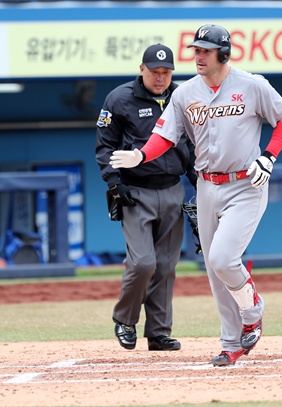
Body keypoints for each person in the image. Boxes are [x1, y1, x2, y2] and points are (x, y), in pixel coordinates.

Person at [109, 24, 282, 366]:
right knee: (214, 270)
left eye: (205, 50)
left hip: (246, 184)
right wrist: (140, 155)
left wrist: (269, 157)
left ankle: (252, 310)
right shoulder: (185, 93)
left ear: (223, 53)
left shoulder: (252, 85)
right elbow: (165, 135)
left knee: (223, 258)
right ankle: (231, 342)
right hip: (206, 186)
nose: (197, 56)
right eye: (195, 49)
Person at [96, 43, 196, 352]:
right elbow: (105, 146)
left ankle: (158, 333)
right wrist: (113, 183)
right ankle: (125, 319)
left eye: (166, 73)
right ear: (142, 69)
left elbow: (194, 148)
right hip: (135, 190)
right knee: (142, 263)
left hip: (173, 188)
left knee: (166, 266)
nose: (161, 78)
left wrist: (200, 188)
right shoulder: (120, 98)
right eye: (155, 72)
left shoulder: (183, 97)